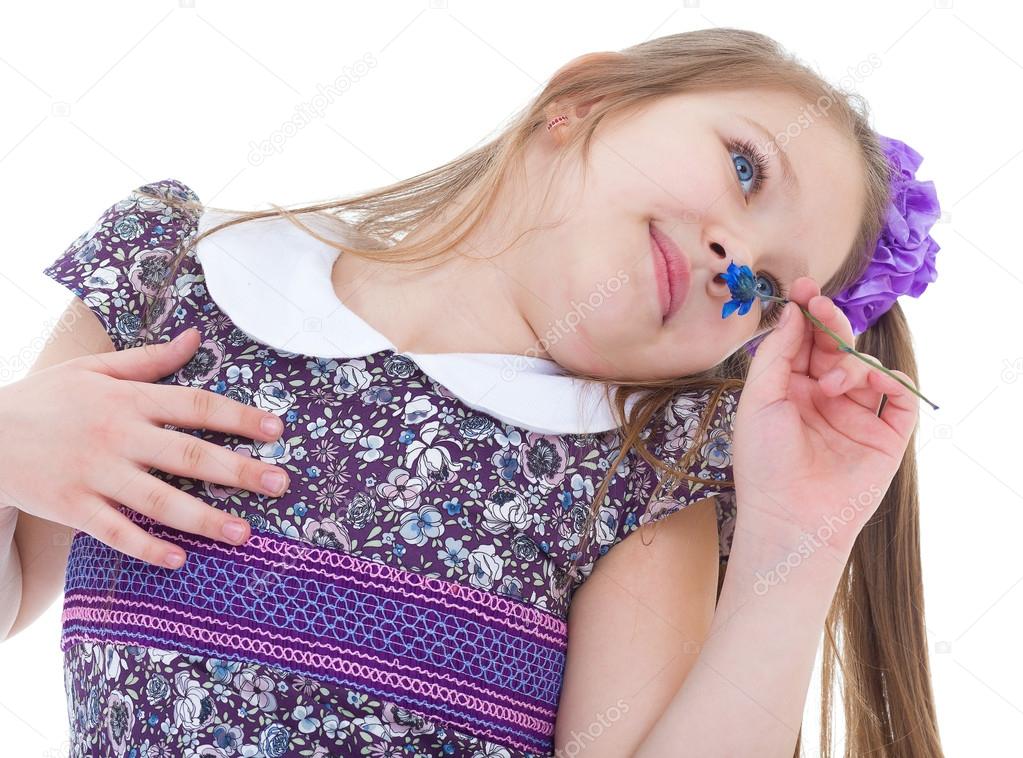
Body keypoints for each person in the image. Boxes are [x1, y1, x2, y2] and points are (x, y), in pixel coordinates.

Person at [1, 27, 944, 758]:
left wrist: (800, 546)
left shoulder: (638, 474)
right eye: (745, 167)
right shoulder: (183, 277)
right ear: (582, 101)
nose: (732, 262)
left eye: (769, 289)